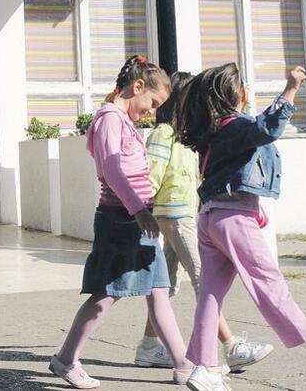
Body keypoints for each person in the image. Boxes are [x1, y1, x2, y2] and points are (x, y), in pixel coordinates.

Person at [175, 64, 306, 391]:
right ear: (236, 95)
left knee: (209, 298)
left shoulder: (214, 133)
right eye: (242, 86)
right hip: (232, 218)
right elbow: (268, 128)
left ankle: (204, 369)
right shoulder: (237, 126)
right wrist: (290, 89)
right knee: (269, 285)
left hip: (211, 218)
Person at [50, 55, 193, 389]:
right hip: (121, 222)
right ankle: (66, 360)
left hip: (134, 220)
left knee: (159, 291)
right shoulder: (110, 119)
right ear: (138, 86)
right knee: (105, 296)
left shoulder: (122, 121)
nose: (152, 111)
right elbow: (111, 170)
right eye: (152, 102)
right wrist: (139, 211)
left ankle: (184, 364)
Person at [134, 72, 273, 375]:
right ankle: (231, 347)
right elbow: (151, 175)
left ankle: (148, 346)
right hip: (173, 215)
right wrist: (142, 211)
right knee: (204, 280)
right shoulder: (163, 133)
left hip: (184, 214)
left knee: (164, 285)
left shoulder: (187, 134)